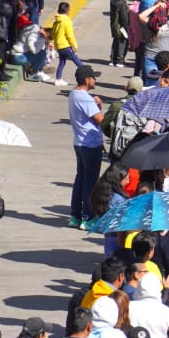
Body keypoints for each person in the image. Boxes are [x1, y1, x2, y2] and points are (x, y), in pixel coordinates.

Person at [69, 64, 106, 230]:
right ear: (86, 79)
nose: (95, 79)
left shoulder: (74, 94)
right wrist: (100, 106)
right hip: (90, 144)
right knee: (90, 182)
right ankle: (88, 217)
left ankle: (75, 216)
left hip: (79, 142)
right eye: (93, 77)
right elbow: (100, 119)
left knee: (81, 178)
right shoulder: (84, 97)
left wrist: (95, 103)